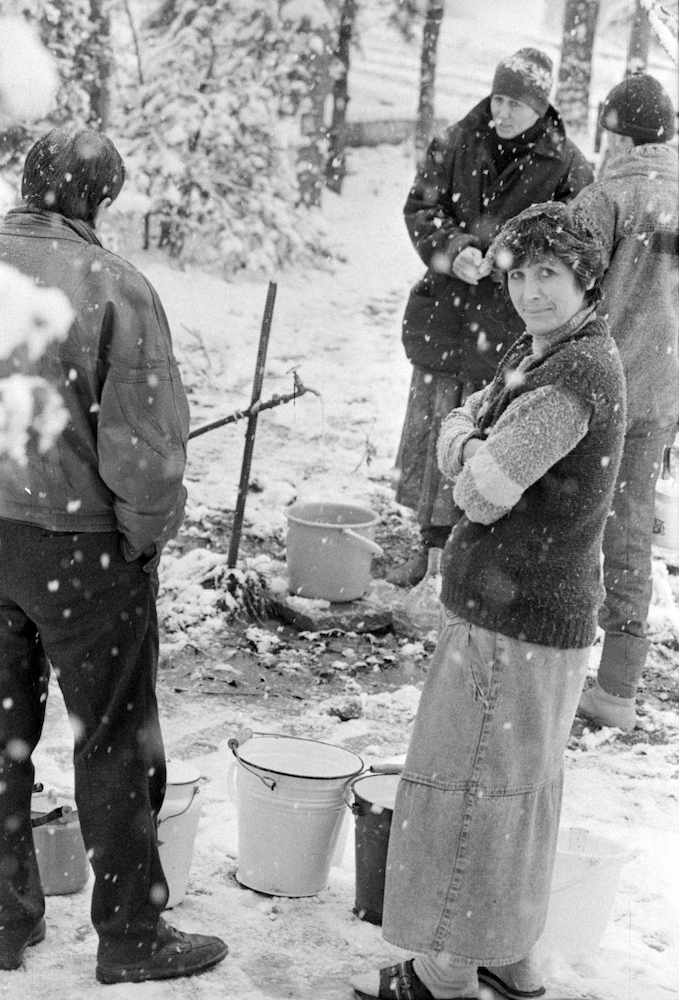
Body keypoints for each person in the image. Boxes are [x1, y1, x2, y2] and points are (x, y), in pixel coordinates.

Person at [352, 203, 626, 1000]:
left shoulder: (572, 374)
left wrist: (462, 439)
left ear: (584, 277)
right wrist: (469, 426)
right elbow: (472, 414)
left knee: (474, 786)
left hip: (517, 617)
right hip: (540, 614)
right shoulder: (551, 348)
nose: (530, 291)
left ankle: (444, 972)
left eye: (548, 274)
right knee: (518, 790)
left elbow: (481, 488)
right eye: (517, 275)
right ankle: (512, 953)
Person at [0, 126, 228, 983]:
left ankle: (3, 919)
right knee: (114, 740)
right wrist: (141, 538)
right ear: (97, 200)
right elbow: (145, 445)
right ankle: (131, 934)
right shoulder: (113, 285)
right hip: (79, 548)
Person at [389, 47, 594, 587]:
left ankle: (466, 556)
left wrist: (512, 265)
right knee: (436, 428)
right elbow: (421, 208)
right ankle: (428, 548)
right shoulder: (458, 139)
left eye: (516, 105)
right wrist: (452, 247)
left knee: (489, 439)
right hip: (447, 318)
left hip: (511, 327)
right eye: (498, 98)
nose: (501, 112)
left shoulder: (568, 167)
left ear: (541, 108)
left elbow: (574, 247)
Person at [571, 73, 679, 732]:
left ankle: (555, 664)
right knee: (631, 534)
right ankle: (617, 688)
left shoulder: (602, 199)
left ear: (617, 132)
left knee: (570, 526)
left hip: (598, 385)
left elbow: (567, 300)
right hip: (661, 393)